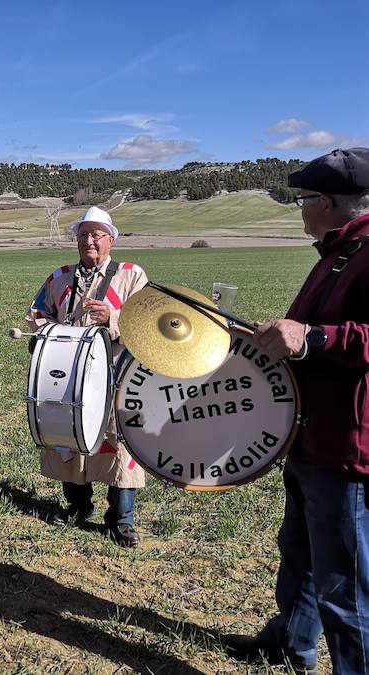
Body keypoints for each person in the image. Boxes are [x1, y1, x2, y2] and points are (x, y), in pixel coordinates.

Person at [225, 148, 369, 674]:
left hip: (347, 447)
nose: (301, 209)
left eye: (304, 200)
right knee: (302, 555)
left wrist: (313, 337)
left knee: (345, 587)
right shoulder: (336, 255)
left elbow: (329, 338)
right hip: (309, 437)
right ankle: (293, 642)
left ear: (326, 202)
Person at [25, 206, 148, 547]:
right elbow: (37, 313)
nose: (89, 241)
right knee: (70, 439)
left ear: (111, 239)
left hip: (119, 376)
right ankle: (78, 506)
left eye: (96, 235)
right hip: (70, 377)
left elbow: (148, 322)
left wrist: (113, 315)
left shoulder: (131, 275)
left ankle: (121, 520)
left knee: (118, 443)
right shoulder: (60, 277)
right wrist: (52, 333)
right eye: (83, 235)